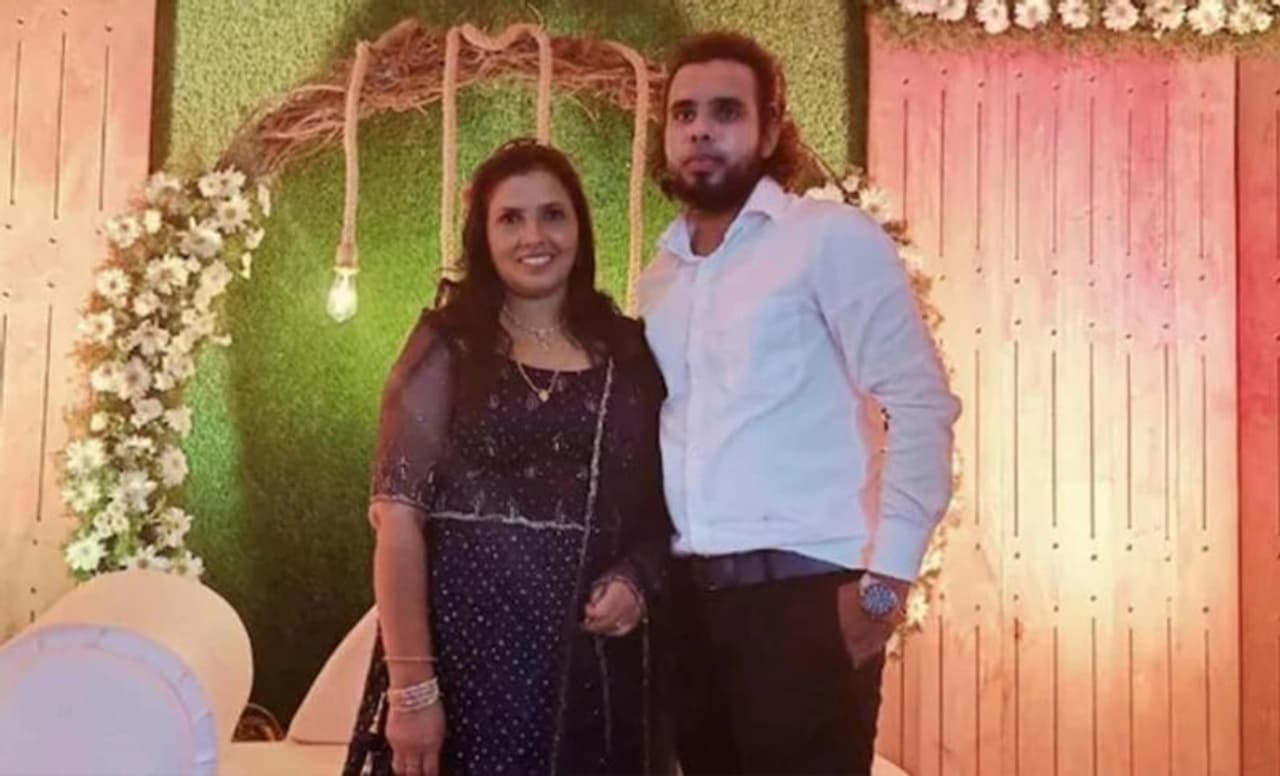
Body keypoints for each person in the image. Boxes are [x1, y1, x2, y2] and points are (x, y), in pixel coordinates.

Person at [636, 31, 962, 776]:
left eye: (726, 111)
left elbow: (920, 404)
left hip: (808, 604)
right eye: (684, 113)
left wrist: (883, 594)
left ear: (769, 131)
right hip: (692, 613)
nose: (701, 130)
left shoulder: (828, 239)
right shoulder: (662, 278)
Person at [344, 138, 673, 776]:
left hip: (589, 675)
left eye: (553, 215)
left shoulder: (628, 353)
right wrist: (412, 690)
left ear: (580, 227)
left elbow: (662, 507)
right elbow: (398, 520)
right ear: (484, 235)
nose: (534, 237)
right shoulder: (446, 346)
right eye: (511, 218)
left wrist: (637, 579)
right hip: (463, 665)